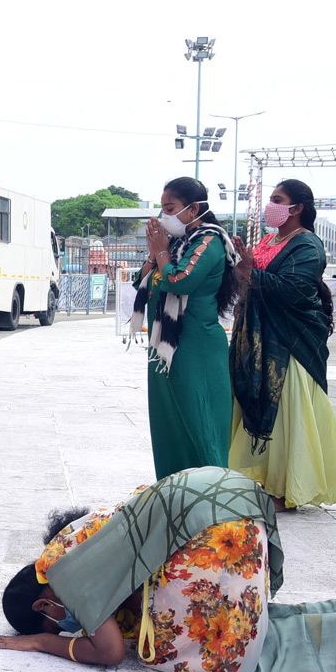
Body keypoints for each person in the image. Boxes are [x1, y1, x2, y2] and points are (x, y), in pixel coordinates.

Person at [0, 467, 336, 672]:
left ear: (43, 607)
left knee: (182, 653)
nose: (70, 626)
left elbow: (107, 652)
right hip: (235, 502)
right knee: (222, 623)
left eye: (57, 626)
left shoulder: (62, 574)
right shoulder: (67, 543)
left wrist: (41, 643)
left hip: (219, 531)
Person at [228, 179, 336, 510]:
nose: (270, 205)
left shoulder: (308, 246)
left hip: (289, 342)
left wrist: (250, 272)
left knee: (287, 414)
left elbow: (295, 290)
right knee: (256, 407)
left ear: (297, 208)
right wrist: (241, 265)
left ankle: (287, 490)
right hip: (257, 339)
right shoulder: (271, 239)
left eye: (277, 199)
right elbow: (250, 274)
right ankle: (260, 478)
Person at [130, 177, 244, 480]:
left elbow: (180, 280)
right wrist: (157, 253)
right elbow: (140, 281)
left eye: (170, 208)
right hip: (165, 347)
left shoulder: (209, 241)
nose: (164, 216)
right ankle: (175, 492)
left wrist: (162, 253)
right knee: (171, 425)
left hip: (196, 347)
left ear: (193, 209)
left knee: (200, 423)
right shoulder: (177, 244)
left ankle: (211, 496)